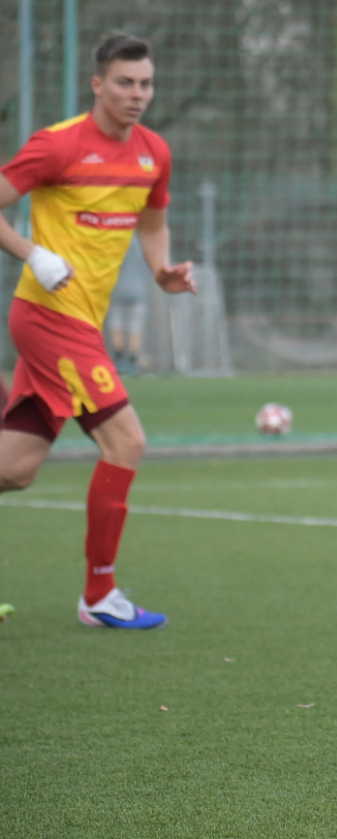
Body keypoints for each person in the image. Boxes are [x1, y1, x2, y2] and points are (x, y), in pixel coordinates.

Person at [0, 33, 195, 628]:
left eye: (146, 84)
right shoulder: (58, 145)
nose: (138, 94)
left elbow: (152, 222)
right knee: (127, 442)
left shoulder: (153, 153)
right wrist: (33, 253)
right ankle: (99, 596)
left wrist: (161, 271)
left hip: (82, 323)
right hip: (49, 318)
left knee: (14, 470)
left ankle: (99, 597)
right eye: (124, 83)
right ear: (97, 84)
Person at [106, 233, 153, 374]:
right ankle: (133, 361)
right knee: (136, 327)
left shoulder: (115, 241)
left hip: (116, 289)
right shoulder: (143, 243)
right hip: (138, 291)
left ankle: (119, 359)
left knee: (116, 325)